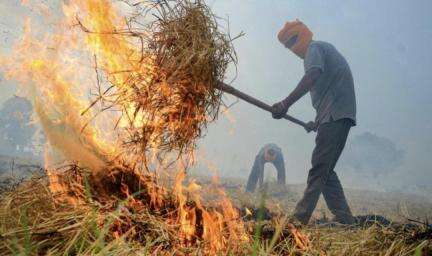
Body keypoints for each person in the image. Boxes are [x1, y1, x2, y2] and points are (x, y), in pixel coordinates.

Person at [272, 20, 357, 225]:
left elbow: (313, 75)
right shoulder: (319, 50)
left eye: (293, 40)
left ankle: (298, 219)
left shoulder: (314, 49)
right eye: (287, 45)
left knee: (319, 167)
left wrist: (286, 103)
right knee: (326, 170)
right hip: (333, 116)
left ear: (303, 34)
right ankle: (346, 220)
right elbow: (329, 90)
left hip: (335, 115)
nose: (292, 48)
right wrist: (316, 122)